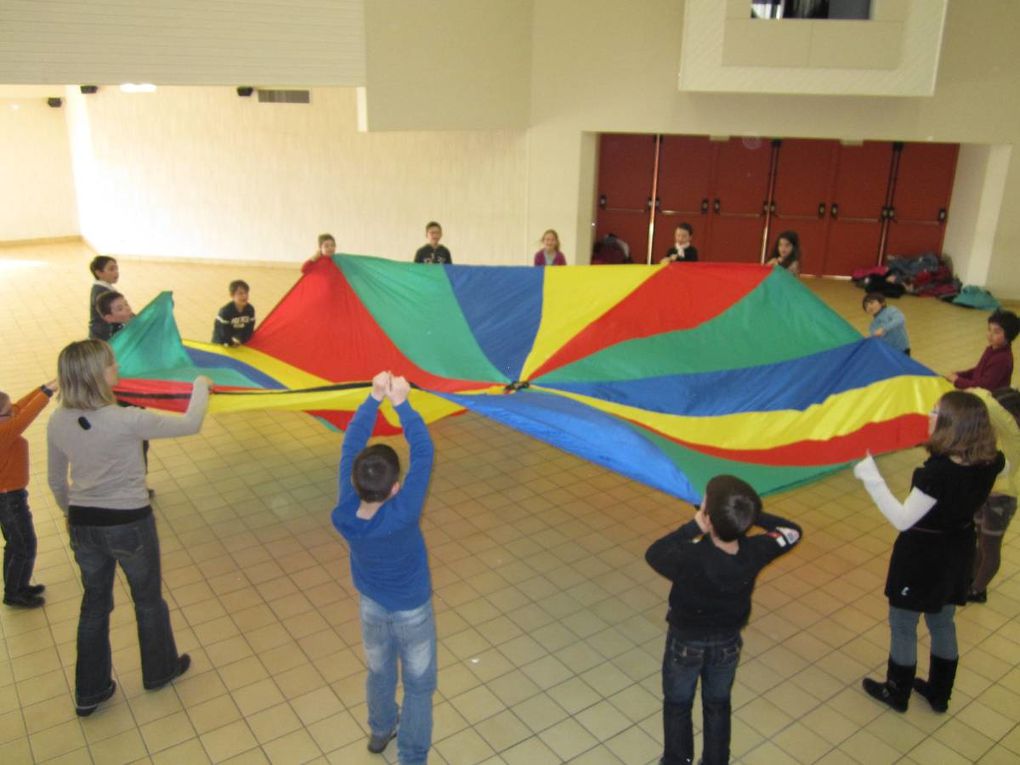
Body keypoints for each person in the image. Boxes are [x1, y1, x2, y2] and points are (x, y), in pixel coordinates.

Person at [47, 340, 211, 717]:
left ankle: (90, 691)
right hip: (129, 523)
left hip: (84, 524)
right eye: (111, 364)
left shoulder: (58, 420)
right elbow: (191, 423)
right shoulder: (127, 419)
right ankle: (159, 670)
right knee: (148, 600)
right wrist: (201, 385)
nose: (116, 367)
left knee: (94, 606)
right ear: (96, 375)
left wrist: (70, 514)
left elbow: (58, 482)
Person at [853, 391, 1004, 713]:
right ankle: (939, 693)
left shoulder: (935, 475)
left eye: (936, 413)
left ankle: (897, 691)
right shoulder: (992, 461)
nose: (929, 416)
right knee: (942, 621)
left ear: (953, 427)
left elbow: (902, 519)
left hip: (923, 555)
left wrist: (871, 477)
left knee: (904, 622)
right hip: (960, 549)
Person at [645, 475, 802, 765]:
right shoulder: (757, 551)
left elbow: (654, 553)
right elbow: (792, 531)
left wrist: (694, 526)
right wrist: (746, 515)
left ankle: (677, 760)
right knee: (718, 704)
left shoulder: (691, 557)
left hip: (685, 642)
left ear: (707, 517)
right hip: (727, 644)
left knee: (678, 704)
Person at [331, 371, 436, 763]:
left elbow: (349, 447)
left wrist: (373, 399)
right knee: (420, 685)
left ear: (356, 483)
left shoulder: (345, 510)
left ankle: (380, 729)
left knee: (379, 672)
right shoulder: (404, 513)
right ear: (396, 488)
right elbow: (423, 451)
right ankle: (412, 754)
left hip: (372, 606)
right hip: (413, 608)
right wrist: (402, 402)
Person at [0, 379, 57, 608]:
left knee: (16, 544)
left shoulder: (5, 421)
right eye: (7, 411)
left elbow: (20, 407)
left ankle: (18, 586)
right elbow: (26, 415)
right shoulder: (4, 431)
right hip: (8, 499)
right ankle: (14, 593)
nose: (13, 412)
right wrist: (49, 392)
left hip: (11, 496)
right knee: (24, 545)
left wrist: (46, 386)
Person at [968, 387, 1020, 603]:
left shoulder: (1012, 432)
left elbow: (984, 401)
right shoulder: (1001, 432)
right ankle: (972, 581)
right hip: (987, 494)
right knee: (979, 541)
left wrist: (954, 385)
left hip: (1001, 499)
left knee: (990, 548)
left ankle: (977, 590)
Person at [949, 309, 1018, 391]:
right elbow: (978, 370)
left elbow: (983, 386)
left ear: (1008, 336)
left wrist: (957, 381)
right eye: (989, 329)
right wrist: (960, 375)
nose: (990, 335)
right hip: (980, 390)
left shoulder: (1002, 359)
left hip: (990, 398)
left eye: (996, 332)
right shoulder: (991, 348)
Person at [212, 280, 256, 346]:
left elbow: (249, 329)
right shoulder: (225, 311)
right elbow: (224, 332)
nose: (245, 296)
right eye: (240, 293)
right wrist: (231, 343)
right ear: (232, 295)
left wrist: (242, 340)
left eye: (246, 293)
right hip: (221, 342)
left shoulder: (250, 309)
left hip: (237, 340)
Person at [88, 256, 120, 339]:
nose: (116, 272)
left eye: (116, 269)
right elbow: (120, 314)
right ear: (99, 273)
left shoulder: (100, 288)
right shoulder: (102, 293)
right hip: (104, 338)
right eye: (111, 269)